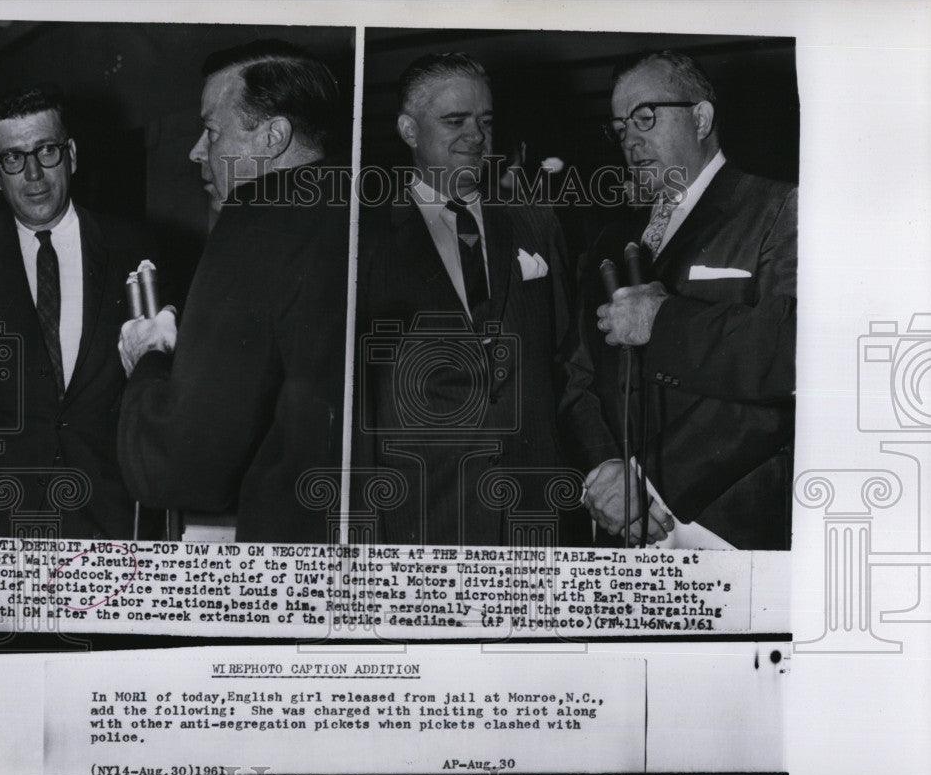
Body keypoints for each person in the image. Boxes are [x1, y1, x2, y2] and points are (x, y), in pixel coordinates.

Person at [562, 50, 797, 550]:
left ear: (701, 117)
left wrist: (648, 482)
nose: (630, 138)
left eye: (645, 116)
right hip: (618, 524)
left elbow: (793, 362)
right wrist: (608, 470)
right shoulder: (608, 238)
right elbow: (576, 375)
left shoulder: (780, 209)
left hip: (723, 524)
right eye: (620, 125)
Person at [117, 40, 347, 543]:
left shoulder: (257, 221)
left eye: (211, 130)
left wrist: (151, 356)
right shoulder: (366, 209)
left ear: (272, 137)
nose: (197, 150)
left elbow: (180, 467)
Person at [357, 53, 579, 547]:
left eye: (485, 121)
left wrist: (603, 460)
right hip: (418, 511)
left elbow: (569, 360)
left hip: (534, 506)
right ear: (409, 130)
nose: (476, 136)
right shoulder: (363, 235)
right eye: (454, 121)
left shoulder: (535, 222)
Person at [0, 86, 151, 539]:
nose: (32, 174)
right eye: (13, 158)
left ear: (70, 154)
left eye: (45, 151)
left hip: (111, 520)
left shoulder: (138, 249)